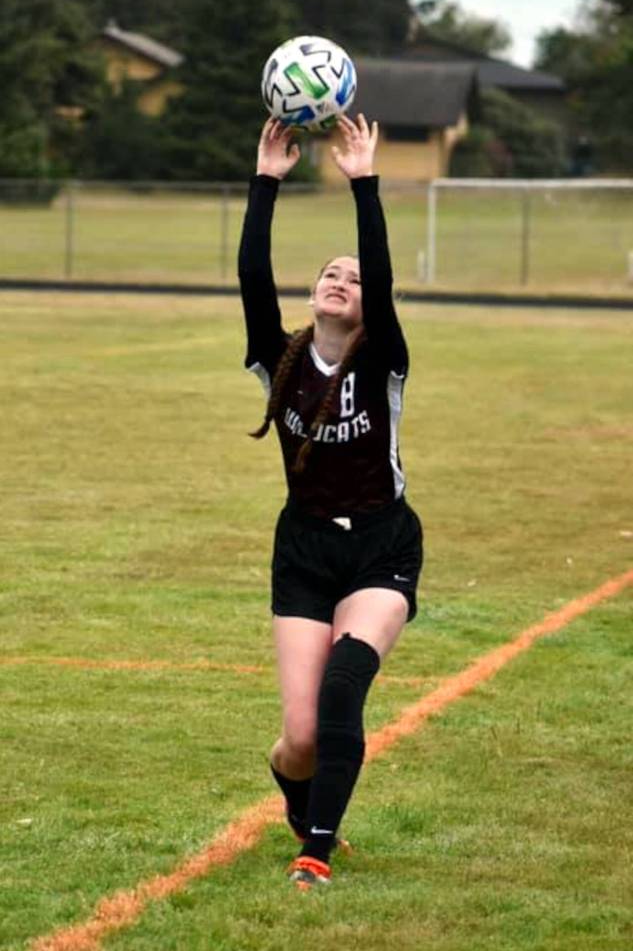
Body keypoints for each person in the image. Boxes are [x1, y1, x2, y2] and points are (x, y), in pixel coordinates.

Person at [237, 113, 423, 890]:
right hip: (305, 550)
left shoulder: (382, 358)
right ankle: (298, 792)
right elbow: (251, 274)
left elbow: (378, 276)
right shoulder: (277, 360)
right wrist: (266, 181)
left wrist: (364, 183)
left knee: (345, 684)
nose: (340, 280)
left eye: (349, 277)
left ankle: (315, 846)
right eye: (328, 273)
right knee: (302, 736)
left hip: (381, 544)